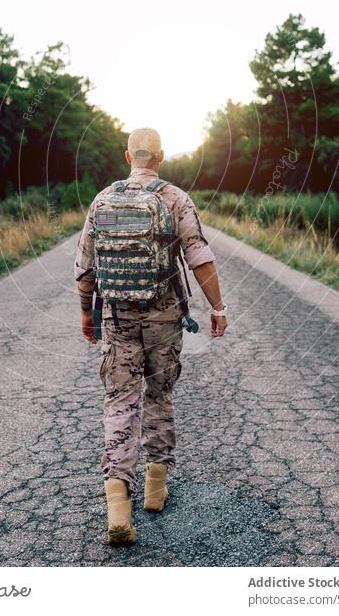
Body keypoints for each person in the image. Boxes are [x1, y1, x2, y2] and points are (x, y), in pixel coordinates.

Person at [74, 127, 227, 545]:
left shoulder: (103, 199)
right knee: (159, 396)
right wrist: (217, 307)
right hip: (164, 318)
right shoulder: (174, 197)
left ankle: (118, 505)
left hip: (118, 318)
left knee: (120, 403)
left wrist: (87, 315)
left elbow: (85, 267)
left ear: (128, 156)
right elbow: (199, 255)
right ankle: (155, 491)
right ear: (160, 156)